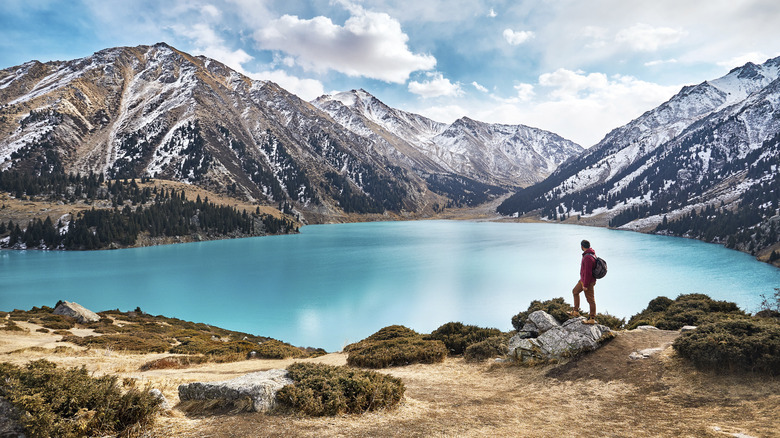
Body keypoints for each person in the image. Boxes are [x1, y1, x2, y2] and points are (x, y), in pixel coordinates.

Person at [569, 239, 597, 324]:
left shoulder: (588, 257)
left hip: (587, 282)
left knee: (590, 300)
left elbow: (588, 272)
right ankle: (575, 311)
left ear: (582, 246)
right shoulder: (590, 254)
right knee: (575, 291)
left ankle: (592, 318)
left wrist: (585, 285)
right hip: (583, 280)